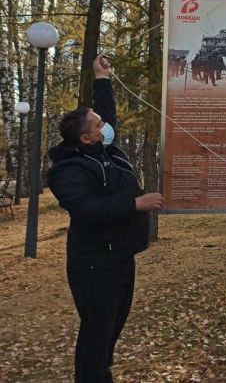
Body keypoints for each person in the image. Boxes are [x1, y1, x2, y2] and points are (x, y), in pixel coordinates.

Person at [47, 55, 164, 383]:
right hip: (95, 263)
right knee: (97, 331)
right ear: (86, 138)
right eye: (98, 126)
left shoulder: (103, 150)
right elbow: (86, 209)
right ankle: (92, 377)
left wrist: (102, 78)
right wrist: (135, 203)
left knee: (112, 326)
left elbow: (107, 116)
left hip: (120, 256)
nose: (105, 126)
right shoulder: (67, 171)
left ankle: (101, 372)